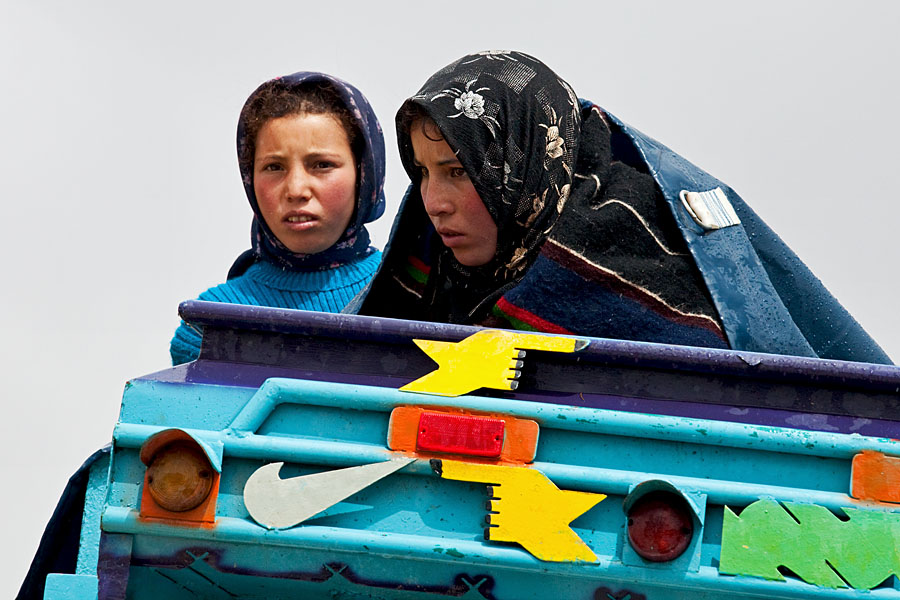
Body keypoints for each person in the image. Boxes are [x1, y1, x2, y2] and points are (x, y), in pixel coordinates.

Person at [357, 51, 891, 365]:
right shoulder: (430, 274)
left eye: (457, 171)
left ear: (522, 168)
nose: (433, 202)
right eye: (422, 173)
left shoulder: (624, 255)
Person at [170, 72, 386, 365]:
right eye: (274, 167)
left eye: (322, 165)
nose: (296, 190)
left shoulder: (418, 293)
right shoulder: (209, 326)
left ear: (365, 174)